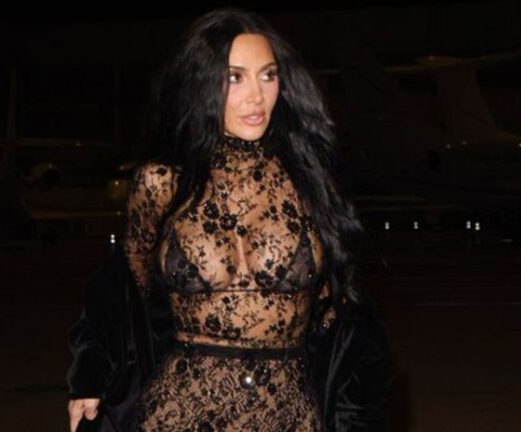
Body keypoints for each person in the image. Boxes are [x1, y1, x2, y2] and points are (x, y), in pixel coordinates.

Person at [67, 7, 392, 432]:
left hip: (288, 418)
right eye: (235, 78)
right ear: (202, 83)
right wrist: (92, 370)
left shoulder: (311, 181)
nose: (256, 96)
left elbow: (348, 322)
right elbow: (123, 288)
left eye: (268, 76)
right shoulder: (161, 182)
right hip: (179, 414)